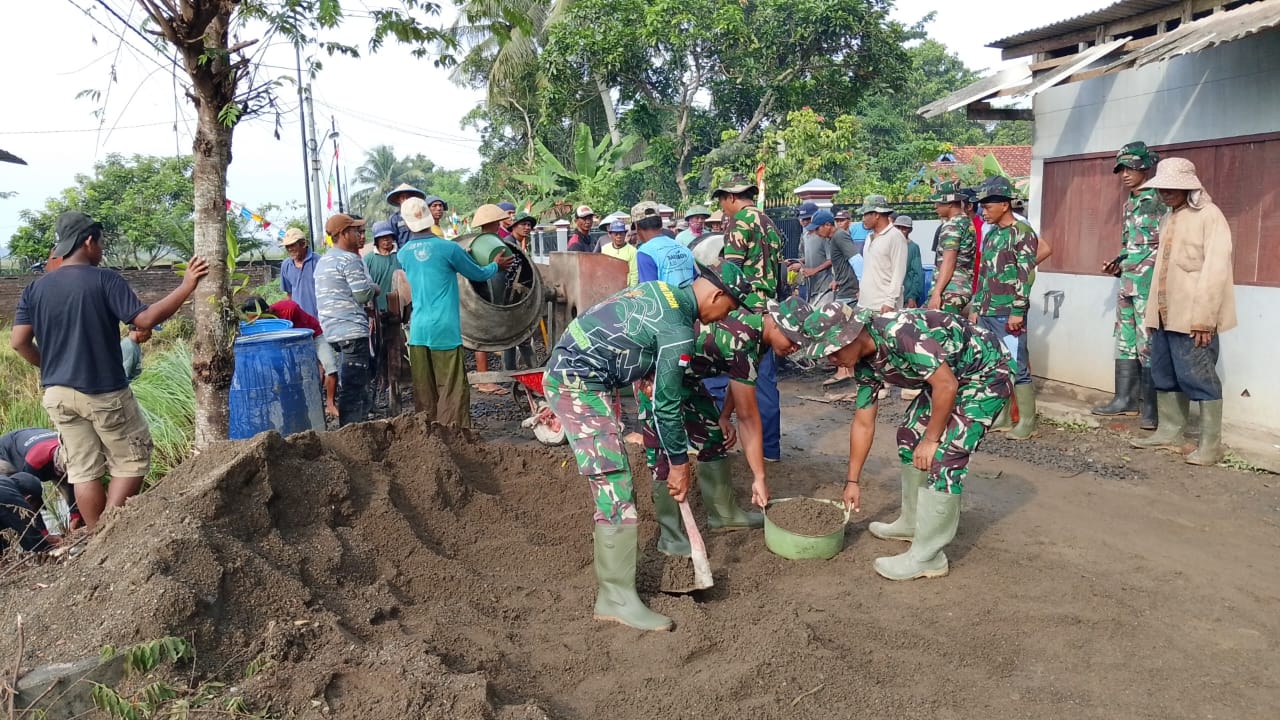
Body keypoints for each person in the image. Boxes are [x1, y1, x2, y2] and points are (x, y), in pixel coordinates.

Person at [543, 263, 748, 631]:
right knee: (615, 483)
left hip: (583, 372)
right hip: (576, 383)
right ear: (716, 296)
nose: (723, 318)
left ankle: (631, 579)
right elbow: (668, 406)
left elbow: (631, 336)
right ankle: (615, 598)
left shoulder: (662, 292)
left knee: (618, 472)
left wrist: (648, 372)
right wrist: (679, 465)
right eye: (729, 309)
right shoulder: (679, 329)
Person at [10, 211, 209, 531]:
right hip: (102, 391)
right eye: (100, 242)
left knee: (83, 470)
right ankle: (107, 531)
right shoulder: (105, 280)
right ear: (88, 241)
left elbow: (19, 343)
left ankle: (92, 535)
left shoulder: (35, 289)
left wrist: (51, 365)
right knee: (132, 460)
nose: (101, 249)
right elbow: (143, 320)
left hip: (57, 394)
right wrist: (187, 285)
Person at [801, 304, 1012, 580]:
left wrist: (932, 439)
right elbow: (864, 422)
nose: (831, 360)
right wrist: (852, 481)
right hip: (951, 376)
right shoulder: (863, 363)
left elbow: (946, 385)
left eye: (833, 351)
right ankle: (912, 522)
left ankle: (929, 556)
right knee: (909, 436)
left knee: (946, 457)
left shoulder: (900, 333)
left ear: (851, 336)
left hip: (986, 374)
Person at [641, 297, 809, 559]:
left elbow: (740, 377)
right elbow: (749, 419)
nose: (795, 347)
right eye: (793, 339)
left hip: (689, 377)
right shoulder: (743, 340)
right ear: (775, 325)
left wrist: (723, 416)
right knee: (664, 454)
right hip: (657, 376)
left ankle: (723, 514)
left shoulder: (758, 337)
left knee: (713, 437)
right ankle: (671, 536)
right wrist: (760, 478)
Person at [1131, 158, 1235, 466]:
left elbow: (1216, 271)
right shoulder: (1169, 217)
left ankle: (1211, 445)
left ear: (1189, 186)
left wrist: (1205, 318)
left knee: (1199, 377)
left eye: (1171, 187)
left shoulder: (1209, 216)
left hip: (1193, 318)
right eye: (1162, 187)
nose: (1164, 192)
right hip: (1165, 315)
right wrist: (1152, 315)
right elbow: (1160, 271)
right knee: (1164, 374)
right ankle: (1169, 432)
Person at [398, 197, 516, 426]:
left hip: (418, 331)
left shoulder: (403, 253)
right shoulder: (448, 248)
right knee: (452, 388)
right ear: (429, 216)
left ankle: (430, 436)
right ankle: (457, 437)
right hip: (444, 329)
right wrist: (496, 266)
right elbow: (478, 274)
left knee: (425, 392)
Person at [710, 172, 784, 461]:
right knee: (765, 380)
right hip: (769, 311)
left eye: (722, 201)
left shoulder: (739, 223)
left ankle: (720, 440)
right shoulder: (770, 224)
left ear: (731, 197)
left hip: (744, 311)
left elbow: (731, 275)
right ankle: (770, 449)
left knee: (729, 374)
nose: (722, 208)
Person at [1093, 142, 1165, 428]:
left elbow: (1165, 246)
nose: (1124, 174)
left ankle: (1151, 409)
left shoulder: (1160, 201)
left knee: (1148, 344)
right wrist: (1117, 265)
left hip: (1148, 286)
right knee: (1125, 343)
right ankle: (1125, 401)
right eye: (1121, 168)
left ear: (1146, 167)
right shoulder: (1130, 204)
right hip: (1128, 283)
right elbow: (1130, 246)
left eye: (1131, 167)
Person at [970, 176, 1040, 440]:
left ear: (1004, 204)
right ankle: (1000, 416)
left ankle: (1026, 422)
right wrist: (976, 306)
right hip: (987, 311)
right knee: (995, 365)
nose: (983, 211)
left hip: (1007, 312)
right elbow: (984, 274)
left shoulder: (1022, 233)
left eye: (987, 206)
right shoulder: (992, 235)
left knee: (1017, 365)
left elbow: (1025, 276)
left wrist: (1017, 311)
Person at [316, 213, 380, 427]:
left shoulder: (324, 260)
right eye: (356, 231)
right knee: (353, 387)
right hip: (351, 330)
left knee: (356, 380)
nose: (361, 235)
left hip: (332, 330)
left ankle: (360, 424)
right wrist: (375, 289)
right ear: (343, 234)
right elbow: (362, 294)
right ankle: (352, 434)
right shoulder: (349, 259)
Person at [926, 182, 977, 314]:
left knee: (936, 331)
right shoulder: (966, 222)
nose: (935, 206)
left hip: (949, 291)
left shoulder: (952, 225)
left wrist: (937, 293)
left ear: (949, 203)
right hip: (961, 288)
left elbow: (949, 261)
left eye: (938, 202)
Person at [857, 194, 908, 314]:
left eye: (865, 214)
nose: (863, 219)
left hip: (883, 306)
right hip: (864, 304)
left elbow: (898, 272)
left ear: (876, 215)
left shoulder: (895, 237)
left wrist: (890, 302)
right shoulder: (869, 237)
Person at [0, 472, 55, 553]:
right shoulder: (12, 498)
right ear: (28, 499)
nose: (34, 514)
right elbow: (33, 542)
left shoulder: (4, 483)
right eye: (34, 509)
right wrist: (50, 546)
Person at [790, 201, 833, 303]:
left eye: (807, 219)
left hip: (825, 287)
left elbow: (831, 260)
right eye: (802, 219)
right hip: (810, 287)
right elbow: (808, 257)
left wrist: (814, 270)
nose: (804, 222)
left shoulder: (823, 236)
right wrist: (794, 262)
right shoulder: (805, 236)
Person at [635, 214, 696, 286]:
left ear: (637, 227)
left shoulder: (645, 252)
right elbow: (696, 279)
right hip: (690, 296)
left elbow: (650, 290)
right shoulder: (683, 247)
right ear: (661, 224)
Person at [279, 227, 320, 319]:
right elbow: (289, 295)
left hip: (319, 318)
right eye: (287, 246)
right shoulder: (286, 265)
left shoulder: (318, 262)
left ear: (303, 244)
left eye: (292, 245)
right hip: (299, 319)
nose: (289, 249)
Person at [896, 215, 926, 309]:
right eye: (898, 228)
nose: (900, 231)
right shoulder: (889, 245)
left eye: (904, 228)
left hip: (905, 295)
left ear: (910, 230)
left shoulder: (913, 247)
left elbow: (917, 273)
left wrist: (912, 296)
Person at [386, 183, 427, 249]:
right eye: (403, 198)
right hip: (404, 252)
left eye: (408, 197)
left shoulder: (420, 214)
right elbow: (393, 240)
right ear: (398, 200)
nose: (406, 200)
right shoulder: (394, 219)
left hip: (421, 249)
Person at [600, 219, 639, 286]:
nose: (619, 236)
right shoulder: (605, 249)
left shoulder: (632, 251)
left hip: (625, 288)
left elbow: (634, 274)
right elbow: (603, 271)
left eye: (621, 233)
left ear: (625, 234)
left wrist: (631, 291)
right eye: (616, 234)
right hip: (609, 286)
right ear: (610, 234)